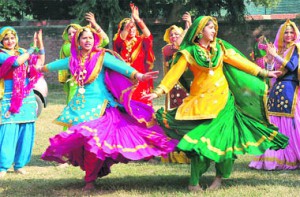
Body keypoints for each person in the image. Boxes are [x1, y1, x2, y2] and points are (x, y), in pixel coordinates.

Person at [142, 16, 289, 191]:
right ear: (200, 31)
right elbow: (174, 74)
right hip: (201, 105)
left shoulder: (220, 48)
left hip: (224, 103)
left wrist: (264, 72)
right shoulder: (189, 52)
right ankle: (193, 182)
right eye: (210, 28)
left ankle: (218, 179)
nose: (214, 31)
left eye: (214, 28)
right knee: (200, 144)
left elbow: (241, 63)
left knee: (226, 142)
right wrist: (159, 91)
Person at [40, 26, 177, 190]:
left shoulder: (101, 56)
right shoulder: (73, 60)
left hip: (102, 107)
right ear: (77, 41)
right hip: (80, 108)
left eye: (91, 38)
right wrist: (37, 68)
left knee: (95, 144)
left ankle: (89, 180)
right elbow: (51, 66)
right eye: (84, 38)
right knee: (82, 144)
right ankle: (92, 173)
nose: (88, 41)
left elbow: (122, 67)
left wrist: (139, 76)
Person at [249, 19, 300, 170]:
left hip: (290, 90)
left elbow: (291, 66)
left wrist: (275, 55)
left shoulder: (296, 48)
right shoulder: (281, 51)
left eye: (291, 32)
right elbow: (273, 72)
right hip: (277, 90)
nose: (289, 35)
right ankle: (276, 157)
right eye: (286, 32)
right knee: (274, 122)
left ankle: (293, 156)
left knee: (292, 123)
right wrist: (270, 59)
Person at [0, 26, 45, 178]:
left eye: (12, 38)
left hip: (26, 96)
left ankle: (19, 164)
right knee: (8, 130)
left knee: (26, 130)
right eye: (6, 38)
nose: (10, 41)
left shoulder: (23, 52)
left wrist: (40, 44)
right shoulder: (1, 54)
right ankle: (3, 166)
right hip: (9, 96)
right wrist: (32, 48)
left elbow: (38, 64)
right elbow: (15, 63)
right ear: (2, 41)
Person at [161, 12, 192, 164]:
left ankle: (189, 152)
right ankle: (174, 152)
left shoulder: (187, 50)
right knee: (174, 121)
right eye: (172, 34)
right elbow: (178, 44)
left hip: (188, 90)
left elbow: (192, 42)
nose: (174, 36)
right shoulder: (167, 49)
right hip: (173, 92)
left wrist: (190, 27)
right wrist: (187, 28)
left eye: (176, 34)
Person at [113, 3, 155, 105]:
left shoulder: (141, 40)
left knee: (141, 104)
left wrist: (138, 20)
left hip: (141, 77)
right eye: (128, 28)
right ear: (122, 30)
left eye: (133, 27)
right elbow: (119, 40)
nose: (131, 30)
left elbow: (149, 36)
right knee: (125, 105)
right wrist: (131, 22)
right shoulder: (120, 42)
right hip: (124, 77)